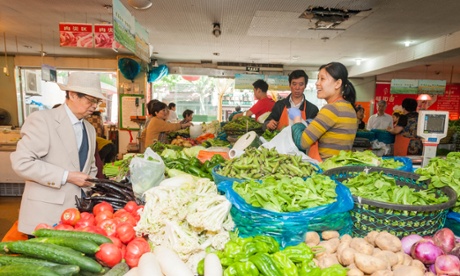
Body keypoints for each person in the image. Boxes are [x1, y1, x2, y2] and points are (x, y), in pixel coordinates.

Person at [10, 72, 103, 235]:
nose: (95, 106)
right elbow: (22, 163)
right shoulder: (42, 120)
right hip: (45, 216)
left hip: (76, 217)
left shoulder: (89, 129)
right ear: (73, 95)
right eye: (91, 100)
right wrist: (67, 176)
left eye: (97, 101)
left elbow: (91, 167)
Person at [290, 62, 358, 161]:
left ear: (338, 83)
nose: (317, 83)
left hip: (325, 169)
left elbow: (302, 142)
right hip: (338, 167)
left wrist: (297, 120)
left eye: (322, 79)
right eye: (318, 79)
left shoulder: (331, 108)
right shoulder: (349, 107)